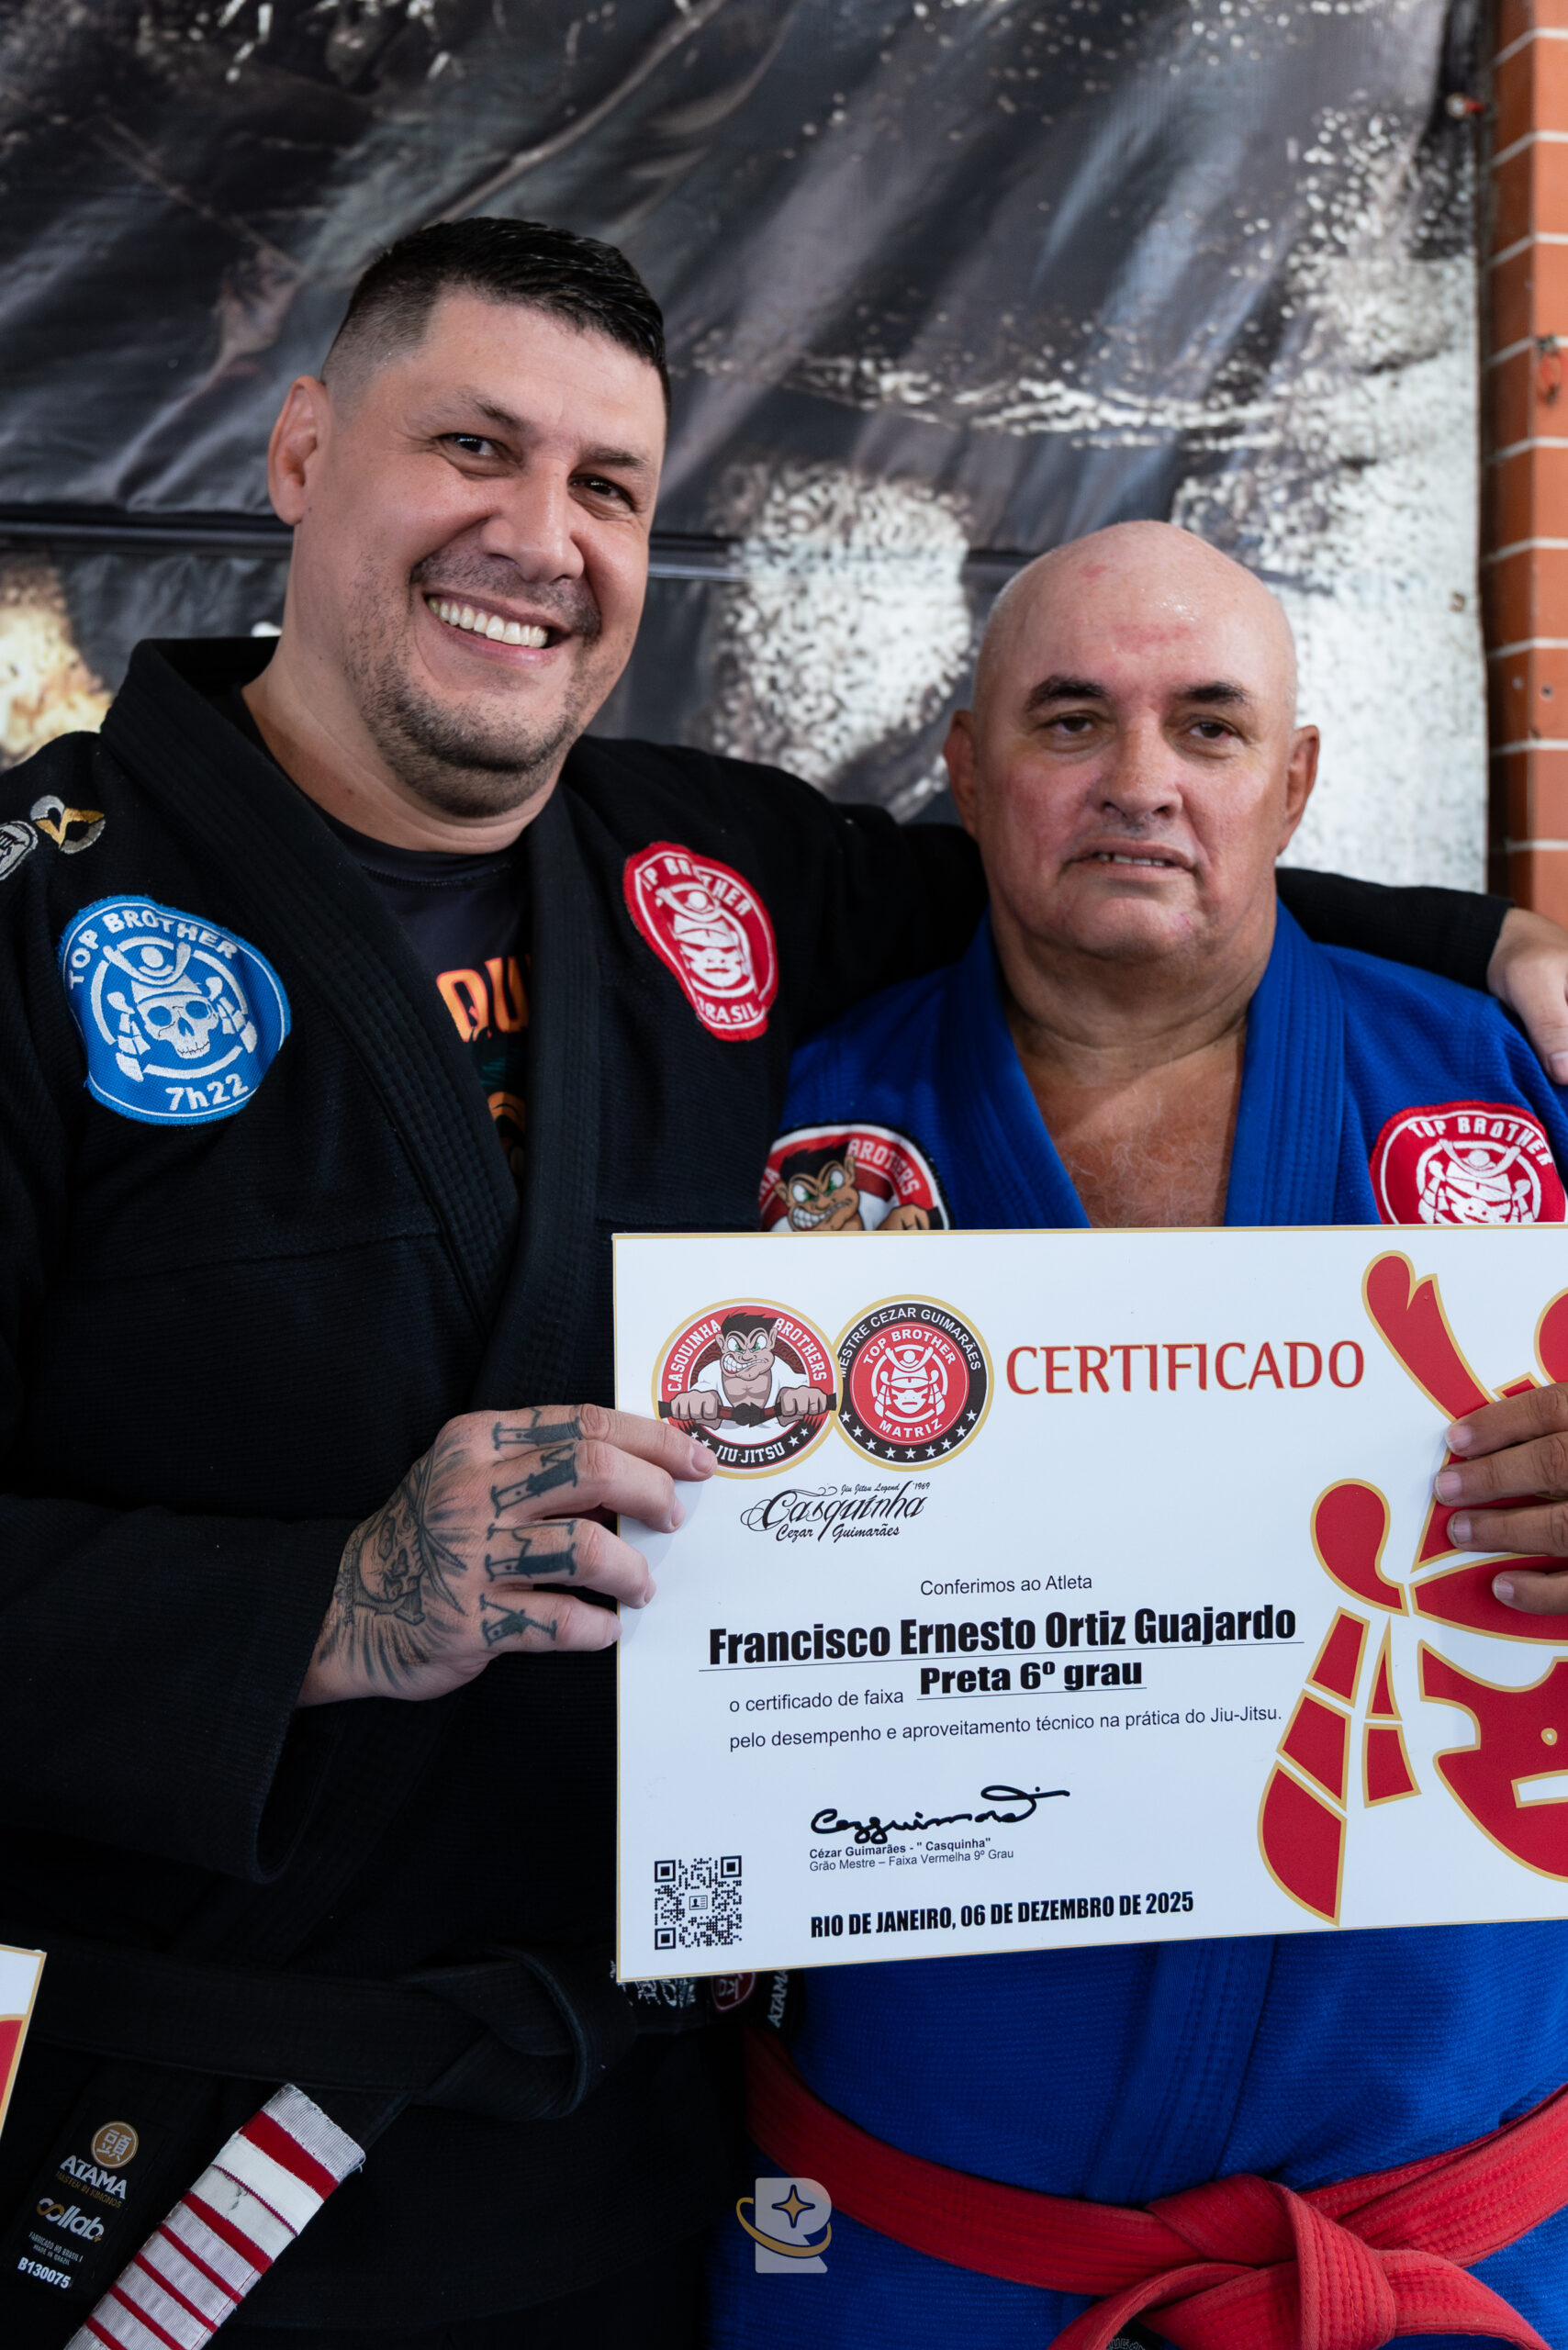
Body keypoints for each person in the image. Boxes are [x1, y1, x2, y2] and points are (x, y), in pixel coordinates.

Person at [0, 225, 1562, 2350]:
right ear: (296, 453)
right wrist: (326, 1603)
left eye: (606, 485)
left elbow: (1116, 882)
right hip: (230, 2141)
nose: (537, 534)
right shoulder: (34, 928)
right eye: (472, 445)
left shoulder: (703, 869)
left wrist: (1486, 945)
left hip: (652, 2152)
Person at [715, 522, 1568, 2350]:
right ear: (966, 773)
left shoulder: (1501, 1092)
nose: (1139, 781)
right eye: (1069, 719)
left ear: (1294, 783)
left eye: (1207, 725)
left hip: (1453, 2232)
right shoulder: (780, 1133)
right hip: (912, 2245)